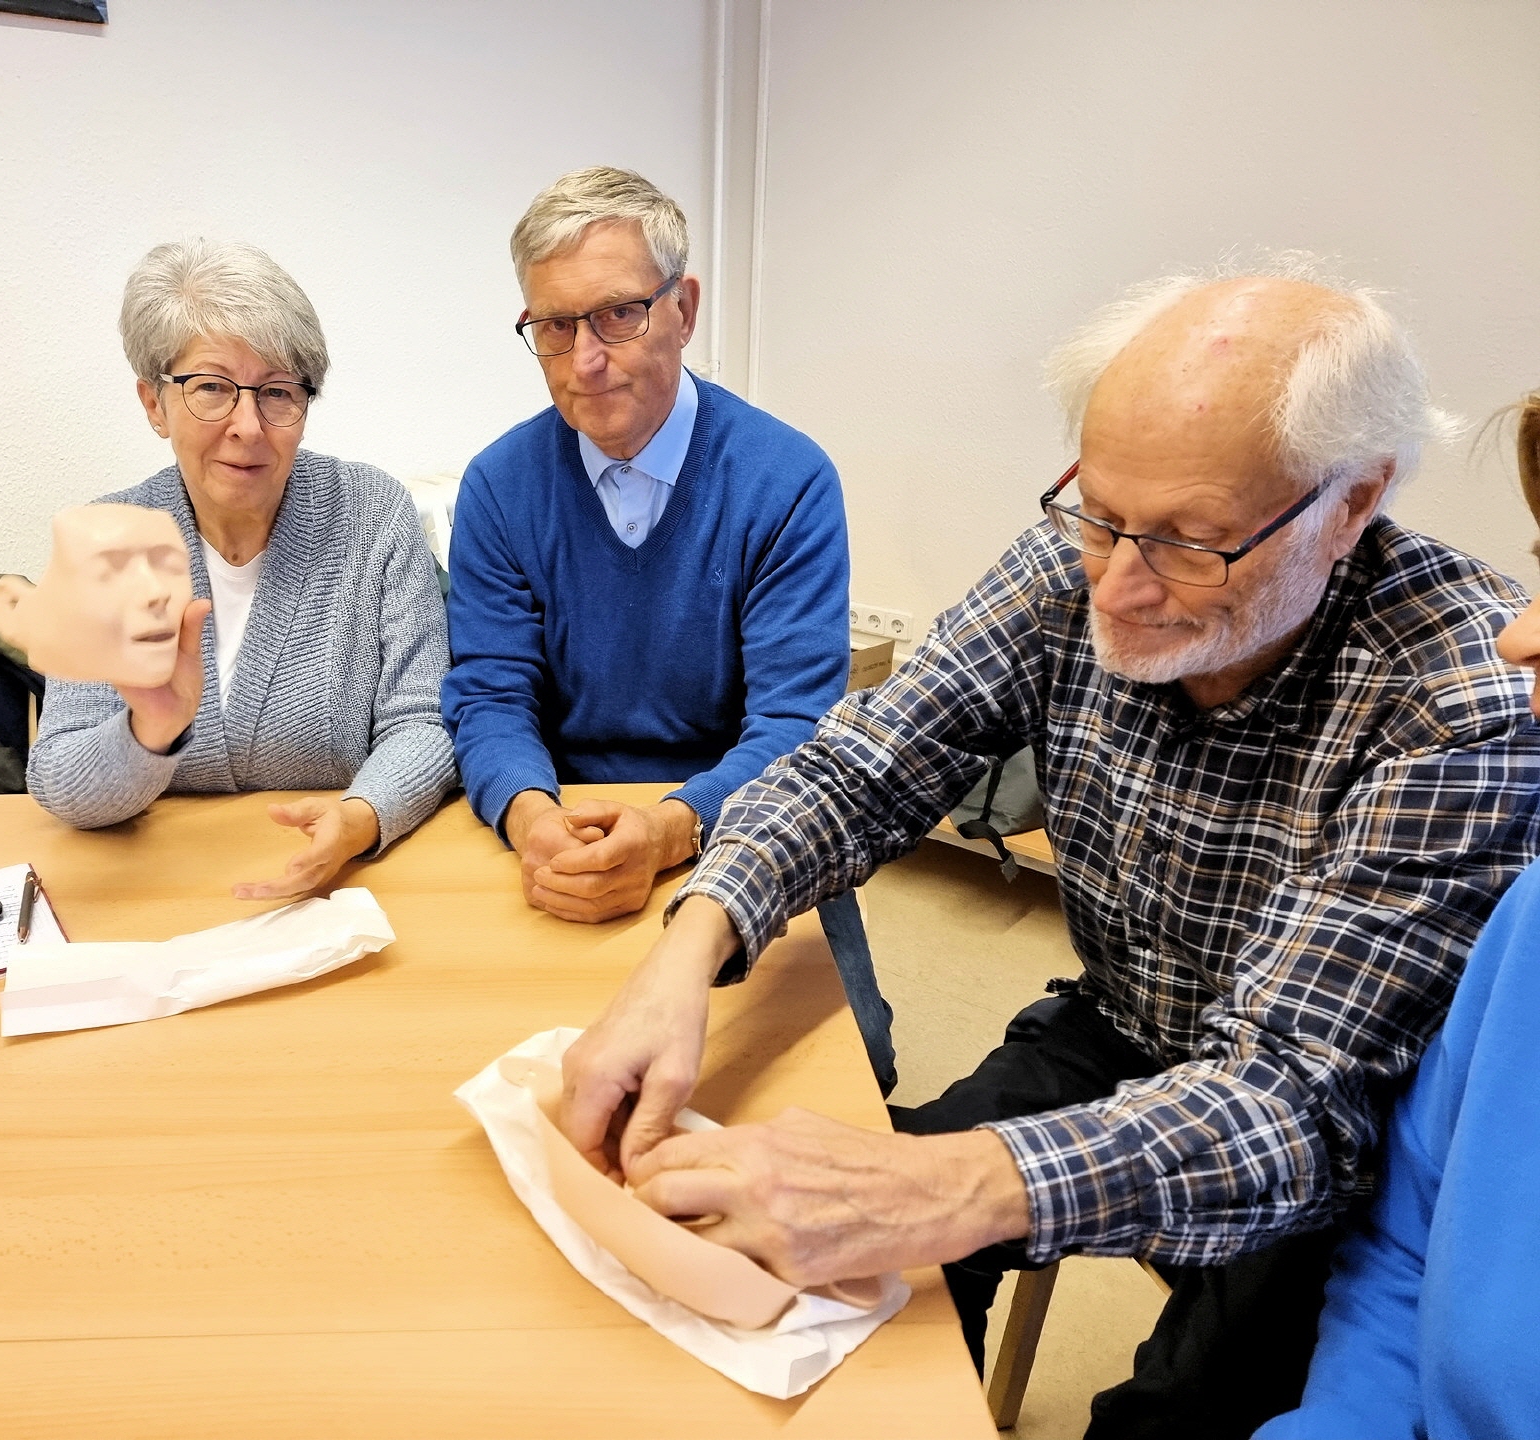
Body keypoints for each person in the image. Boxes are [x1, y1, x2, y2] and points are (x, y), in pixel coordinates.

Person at [557, 262, 1540, 1438]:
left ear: (1350, 502)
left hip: (1328, 1139)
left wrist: (950, 1189)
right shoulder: (1070, 569)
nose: (1118, 586)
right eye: (1099, 513)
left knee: (1168, 1406)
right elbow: (861, 768)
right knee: (850, 1274)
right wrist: (690, 947)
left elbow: (1286, 1102)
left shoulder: (1464, 701)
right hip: (1124, 1020)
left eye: (1190, 543)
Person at [439, 168, 899, 1096]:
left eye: (618, 315)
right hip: (564, 814)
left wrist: (671, 830)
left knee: (843, 1075)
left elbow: (796, 729)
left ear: (683, 309)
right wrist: (530, 817)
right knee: (499, 1065)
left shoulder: (787, 480)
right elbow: (489, 696)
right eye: (553, 327)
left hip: (745, 816)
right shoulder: (498, 485)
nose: (584, 360)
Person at [1255, 390, 1540, 1440]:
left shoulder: (1454, 705)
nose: (1519, 640)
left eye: (1195, 534)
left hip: (1304, 1095)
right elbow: (1412, 1248)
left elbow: (1298, 1083)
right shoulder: (1533, 921)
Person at [29, 239, 456, 897]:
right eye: (211, 388)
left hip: (342, 883)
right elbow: (60, 778)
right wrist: (150, 733)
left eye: (278, 392)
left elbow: (424, 722)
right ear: (153, 403)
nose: (249, 426)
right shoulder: (109, 541)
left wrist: (361, 816)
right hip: (156, 888)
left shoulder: (373, 514)